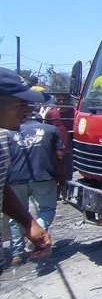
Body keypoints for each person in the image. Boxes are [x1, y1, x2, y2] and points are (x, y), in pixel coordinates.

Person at [0, 69, 53, 272]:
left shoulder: (3, 140)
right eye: (21, 104)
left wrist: (30, 224)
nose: (28, 111)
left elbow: (1, 188)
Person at [8, 114, 64, 265]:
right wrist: (60, 175)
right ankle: (36, 235)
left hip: (15, 178)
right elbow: (60, 155)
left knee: (16, 216)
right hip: (44, 177)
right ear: (41, 121)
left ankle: (17, 254)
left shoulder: (11, 132)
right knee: (47, 209)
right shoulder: (51, 129)